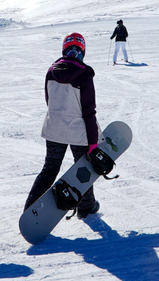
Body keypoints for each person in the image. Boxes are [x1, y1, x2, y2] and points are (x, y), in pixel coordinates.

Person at [24, 32, 103, 219]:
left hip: (54, 129)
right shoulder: (84, 74)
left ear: (64, 49)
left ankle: (30, 209)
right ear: (82, 50)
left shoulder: (51, 71)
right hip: (78, 131)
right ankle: (86, 206)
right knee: (83, 169)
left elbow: (49, 100)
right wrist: (93, 142)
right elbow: (89, 111)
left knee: (49, 169)